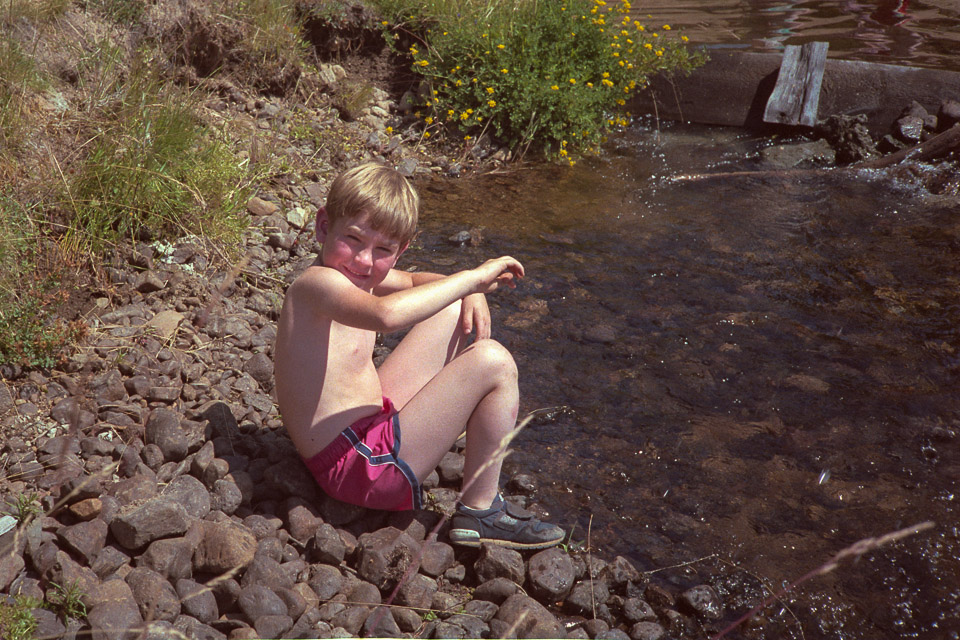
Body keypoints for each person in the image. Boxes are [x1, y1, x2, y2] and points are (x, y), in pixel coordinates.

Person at [274, 162, 564, 550]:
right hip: (360, 469)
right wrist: (475, 278)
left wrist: (468, 293)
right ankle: (481, 511)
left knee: (448, 307)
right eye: (354, 239)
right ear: (324, 226)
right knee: (494, 361)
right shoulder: (318, 283)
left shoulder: (355, 274)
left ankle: (449, 425)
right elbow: (386, 315)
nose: (364, 260)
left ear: (400, 251)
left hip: (364, 436)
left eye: (383, 250)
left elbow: (413, 281)